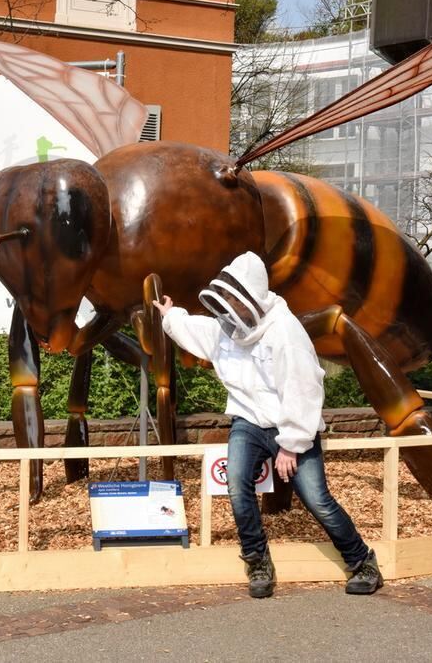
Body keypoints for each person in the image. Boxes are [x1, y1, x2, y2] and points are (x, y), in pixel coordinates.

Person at [152, 251, 382, 598]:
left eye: (234, 298)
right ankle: (257, 560)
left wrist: (291, 443)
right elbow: (199, 330)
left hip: (291, 426)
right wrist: (172, 316)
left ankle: (362, 561)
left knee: (316, 499)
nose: (229, 306)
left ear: (252, 295)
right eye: (226, 298)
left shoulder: (285, 333)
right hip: (248, 421)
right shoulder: (227, 329)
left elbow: (303, 387)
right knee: (236, 485)